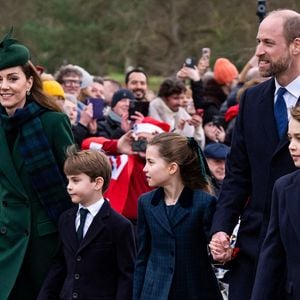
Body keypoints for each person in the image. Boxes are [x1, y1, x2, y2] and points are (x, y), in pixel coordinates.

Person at [209, 9, 300, 300]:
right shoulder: (251, 99)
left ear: (296, 45)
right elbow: (237, 174)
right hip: (254, 246)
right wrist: (221, 228)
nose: (259, 51)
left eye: (268, 43)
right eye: (258, 42)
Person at [0, 29, 74, 299]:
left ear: (29, 82)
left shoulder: (53, 122)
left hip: (44, 239)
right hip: (5, 236)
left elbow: (74, 179)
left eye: (12, 78)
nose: (4, 86)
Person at [38, 146, 136, 300]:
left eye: (75, 180)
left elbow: (126, 275)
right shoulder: (65, 219)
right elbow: (60, 265)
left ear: (97, 183)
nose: (69, 186)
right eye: (68, 180)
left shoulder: (120, 225)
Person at [133, 132, 223, 300]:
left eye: (151, 162)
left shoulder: (204, 202)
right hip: (154, 292)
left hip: (193, 291)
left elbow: (213, 255)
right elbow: (142, 257)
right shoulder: (146, 203)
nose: (145, 168)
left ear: (172, 168)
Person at [82, 117, 170, 227]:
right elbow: (86, 145)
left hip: (151, 224)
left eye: (151, 142)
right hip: (117, 223)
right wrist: (117, 146)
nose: (145, 145)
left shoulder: (166, 165)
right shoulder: (121, 159)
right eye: (141, 139)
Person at [250, 105, 300, 299]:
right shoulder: (283, 188)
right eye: (289, 138)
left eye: (299, 138)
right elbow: (271, 256)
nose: (292, 146)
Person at [149, 78, 205, 148]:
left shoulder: (181, 112)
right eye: (175, 98)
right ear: (164, 98)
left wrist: (198, 128)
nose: (179, 102)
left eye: (181, 98)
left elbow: (196, 146)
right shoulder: (154, 108)